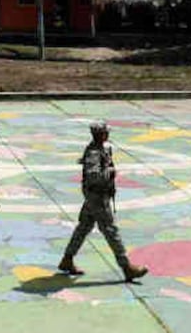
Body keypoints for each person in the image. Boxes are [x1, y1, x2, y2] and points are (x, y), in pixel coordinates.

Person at [58, 120, 148, 282]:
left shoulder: (100, 150)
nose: (108, 135)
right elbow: (94, 176)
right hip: (97, 197)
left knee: (84, 227)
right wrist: (110, 171)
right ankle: (127, 267)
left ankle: (67, 259)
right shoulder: (94, 153)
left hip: (95, 197)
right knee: (111, 231)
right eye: (106, 133)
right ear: (101, 135)